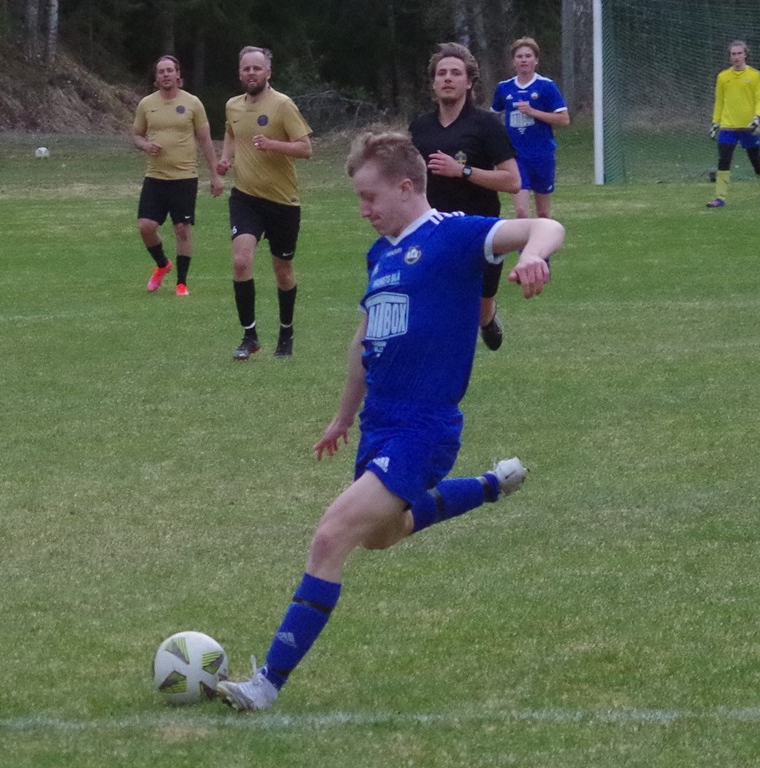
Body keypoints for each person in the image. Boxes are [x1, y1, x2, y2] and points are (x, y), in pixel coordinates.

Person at [216, 131, 565, 712]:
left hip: (423, 429)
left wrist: (531, 255)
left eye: (369, 196)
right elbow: (363, 340)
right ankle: (488, 485)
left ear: (407, 186)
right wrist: (341, 417)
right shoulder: (379, 256)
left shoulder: (454, 236)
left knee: (331, 537)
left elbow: (546, 228)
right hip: (379, 425)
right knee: (383, 534)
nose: (364, 210)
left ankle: (265, 686)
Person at [409, 42, 520, 352]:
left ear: (469, 82)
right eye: (441, 73)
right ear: (433, 82)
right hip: (433, 229)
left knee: (481, 307)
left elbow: (513, 181)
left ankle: (488, 319)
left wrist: (463, 171)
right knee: (437, 302)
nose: (447, 78)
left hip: (479, 230)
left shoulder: (485, 125)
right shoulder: (420, 127)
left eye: (455, 73)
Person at [216, 46, 313, 360]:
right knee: (241, 261)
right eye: (246, 69)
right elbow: (231, 134)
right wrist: (224, 159)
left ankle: (286, 333)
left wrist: (272, 144)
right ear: (240, 73)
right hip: (245, 197)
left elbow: (306, 148)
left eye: (257, 68)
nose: (251, 73)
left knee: (282, 270)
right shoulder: (232, 105)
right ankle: (250, 337)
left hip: (282, 201)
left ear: (268, 72)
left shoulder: (283, 105)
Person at [132, 55, 223, 295]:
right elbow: (137, 135)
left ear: (178, 74)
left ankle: (182, 282)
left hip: (184, 177)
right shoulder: (146, 104)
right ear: (156, 77)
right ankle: (162, 264)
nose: (165, 75)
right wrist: (146, 146)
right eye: (161, 71)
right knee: (145, 226)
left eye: (169, 70)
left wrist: (215, 175)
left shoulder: (193, 103)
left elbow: (205, 139)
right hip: (155, 176)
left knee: (182, 229)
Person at [491, 37, 569, 220]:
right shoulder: (504, 88)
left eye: (528, 56)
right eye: (519, 56)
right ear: (513, 61)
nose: (524, 60)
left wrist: (533, 112)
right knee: (521, 212)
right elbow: (493, 116)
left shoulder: (546, 86)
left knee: (543, 213)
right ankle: (524, 249)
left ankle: (542, 247)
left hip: (542, 155)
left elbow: (564, 119)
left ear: (536, 60)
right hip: (516, 157)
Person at [707, 40, 760, 208]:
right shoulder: (722, 77)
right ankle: (720, 198)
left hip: (749, 126)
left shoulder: (755, 75)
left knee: (755, 160)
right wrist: (715, 122)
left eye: (739, 53)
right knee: (724, 159)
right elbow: (719, 101)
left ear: (745, 55)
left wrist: (757, 117)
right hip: (728, 126)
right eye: (733, 54)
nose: (736, 57)